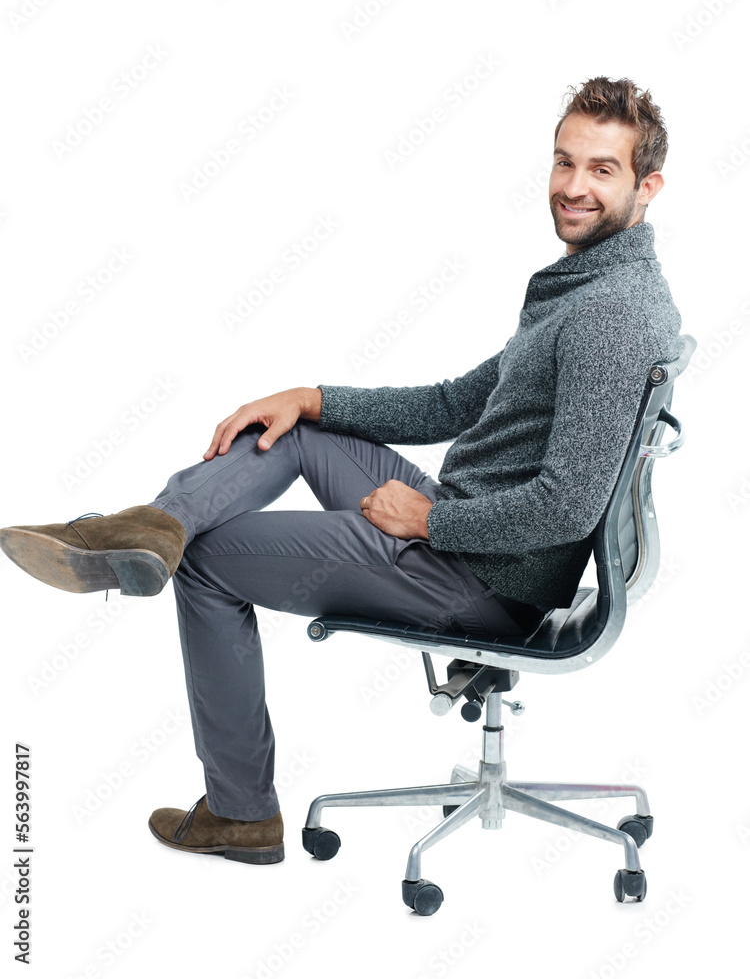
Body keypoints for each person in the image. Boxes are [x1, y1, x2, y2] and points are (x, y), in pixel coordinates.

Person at [0, 76, 683, 866]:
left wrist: (428, 521)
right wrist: (311, 395)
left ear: (646, 186)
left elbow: (565, 508)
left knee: (210, 566)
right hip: (473, 538)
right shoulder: (591, 287)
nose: (572, 186)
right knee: (293, 431)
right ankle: (150, 528)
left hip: (483, 575)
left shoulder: (610, 315)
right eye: (564, 162)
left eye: (601, 169)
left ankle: (240, 812)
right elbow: (456, 401)